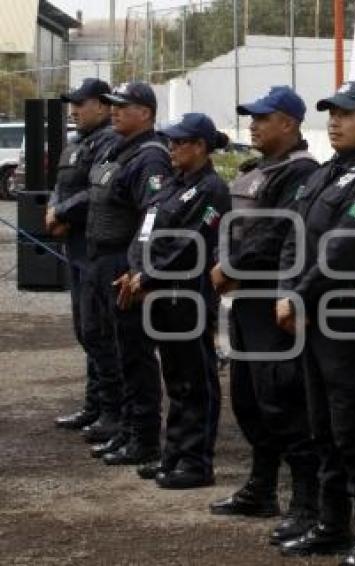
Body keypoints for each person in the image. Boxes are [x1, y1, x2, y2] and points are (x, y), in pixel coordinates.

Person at [275, 81, 355, 565]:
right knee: (320, 426)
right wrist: (289, 291)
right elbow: (293, 236)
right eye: (331, 112)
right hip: (309, 320)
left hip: (344, 321)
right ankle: (331, 524)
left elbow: (342, 249)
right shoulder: (321, 176)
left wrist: (298, 296)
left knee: (354, 429)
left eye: (347, 113)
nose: (335, 120)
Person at [207, 88, 320, 540]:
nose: (252, 125)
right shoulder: (258, 170)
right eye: (251, 118)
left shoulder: (301, 173)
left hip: (273, 300)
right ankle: (262, 486)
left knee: (283, 402)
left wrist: (227, 269)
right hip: (245, 302)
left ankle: (307, 502)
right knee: (250, 401)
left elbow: (277, 234)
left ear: (289, 124)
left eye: (262, 118)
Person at [116, 113, 231, 488]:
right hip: (161, 294)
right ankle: (175, 453)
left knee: (195, 379)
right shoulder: (172, 186)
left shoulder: (211, 189)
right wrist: (135, 271)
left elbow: (191, 244)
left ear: (199, 146)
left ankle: (196, 461)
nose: (172, 148)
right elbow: (145, 234)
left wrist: (148, 276)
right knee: (176, 378)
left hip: (187, 295)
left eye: (179, 142)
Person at [83, 82, 171, 465]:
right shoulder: (118, 149)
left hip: (123, 262)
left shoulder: (151, 157)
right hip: (101, 259)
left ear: (146, 114)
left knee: (134, 354)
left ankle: (144, 438)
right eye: (113, 105)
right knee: (108, 345)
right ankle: (124, 427)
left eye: (123, 106)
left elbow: (152, 217)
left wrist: (138, 268)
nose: (114, 111)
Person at [47, 78, 121, 434]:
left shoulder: (111, 142)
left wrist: (62, 213)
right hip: (75, 248)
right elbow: (60, 187)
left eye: (81, 103)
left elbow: (97, 191)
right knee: (85, 330)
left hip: (97, 249)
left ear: (104, 106)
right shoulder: (76, 143)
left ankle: (113, 411)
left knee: (99, 331)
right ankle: (95, 405)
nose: (74, 110)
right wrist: (53, 210)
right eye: (72, 104)